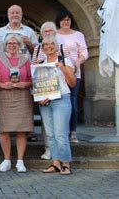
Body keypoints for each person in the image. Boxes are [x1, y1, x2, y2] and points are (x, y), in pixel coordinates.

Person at [0, 33, 33, 173]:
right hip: (5, 96)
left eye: (14, 43)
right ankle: (6, 160)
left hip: (22, 96)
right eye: (9, 43)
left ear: (19, 45)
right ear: (5, 45)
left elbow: (30, 79)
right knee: (4, 129)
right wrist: (3, 85)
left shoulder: (25, 60)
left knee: (21, 129)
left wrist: (24, 84)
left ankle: (20, 161)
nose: (11, 46)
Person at [37, 36, 76, 175]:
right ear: (42, 48)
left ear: (57, 46)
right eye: (45, 44)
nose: (48, 46)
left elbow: (72, 83)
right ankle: (55, 163)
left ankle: (66, 163)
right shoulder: (40, 63)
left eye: (52, 43)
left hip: (61, 99)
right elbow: (38, 86)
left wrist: (64, 69)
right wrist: (39, 98)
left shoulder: (65, 61)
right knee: (50, 134)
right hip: (45, 102)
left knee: (60, 133)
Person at [55, 9, 88, 143]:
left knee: (72, 102)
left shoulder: (78, 35)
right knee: (59, 103)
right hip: (58, 74)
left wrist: (77, 63)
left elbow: (84, 52)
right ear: (59, 21)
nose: (66, 22)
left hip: (74, 73)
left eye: (68, 19)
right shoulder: (54, 35)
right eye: (63, 19)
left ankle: (73, 132)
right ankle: (61, 132)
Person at [32, 21, 59, 160]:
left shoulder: (62, 48)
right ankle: (48, 148)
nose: (48, 33)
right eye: (45, 31)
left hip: (59, 90)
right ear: (41, 34)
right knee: (46, 121)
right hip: (44, 89)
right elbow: (34, 68)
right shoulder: (37, 49)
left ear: (55, 32)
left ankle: (60, 150)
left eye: (50, 31)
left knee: (60, 122)